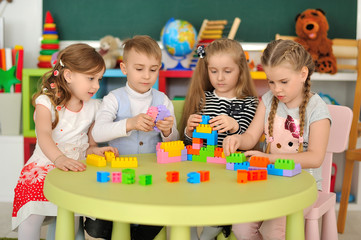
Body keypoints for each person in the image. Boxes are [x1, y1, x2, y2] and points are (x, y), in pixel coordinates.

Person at [223, 39, 331, 240]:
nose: (276, 89)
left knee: (274, 231)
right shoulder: (267, 100)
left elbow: (315, 158)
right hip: (269, 182)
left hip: (303, 186)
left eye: (283, 82)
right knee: (241, 227)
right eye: (270, 82)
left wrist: (269, 158)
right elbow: (250, 137)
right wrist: (237, 139)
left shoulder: (317, 109)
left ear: (303, 74)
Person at [12, 43, 119, 240]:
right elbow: (44, 134)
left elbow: (87, 144)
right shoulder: (46, 102)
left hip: (75, 166)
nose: (96, 85)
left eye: (99, 79)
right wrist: (59, 159)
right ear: (68, 76)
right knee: (31, 216)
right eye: (90, 78)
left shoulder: (94, 107)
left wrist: (94, 152)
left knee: (71, 219)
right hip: (45, 164)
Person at [89, 35, 179, 240]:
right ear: (124, 68)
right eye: (139, 69)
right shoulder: (113, 99)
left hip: (152, 177)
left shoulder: (162, 100)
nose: (147, 75)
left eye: (153, 69)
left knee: (153, 219)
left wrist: (167, 131)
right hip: (118, 176)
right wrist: (129, 123)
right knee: (101, 225)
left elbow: (174, 144)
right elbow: (98, 132)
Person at [180, 38, 258, 240]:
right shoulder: (202, 98)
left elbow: (251, 136)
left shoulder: (249, 103)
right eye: (213, 71)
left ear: (240, 70)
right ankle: (190, 230)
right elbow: (189, 145)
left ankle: (216, 226)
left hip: (230, 170)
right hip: (202, 166)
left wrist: (236, 125)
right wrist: (189, 130)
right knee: (185, 193)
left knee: (223, 197)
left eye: (227, 71)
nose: (220, 78)